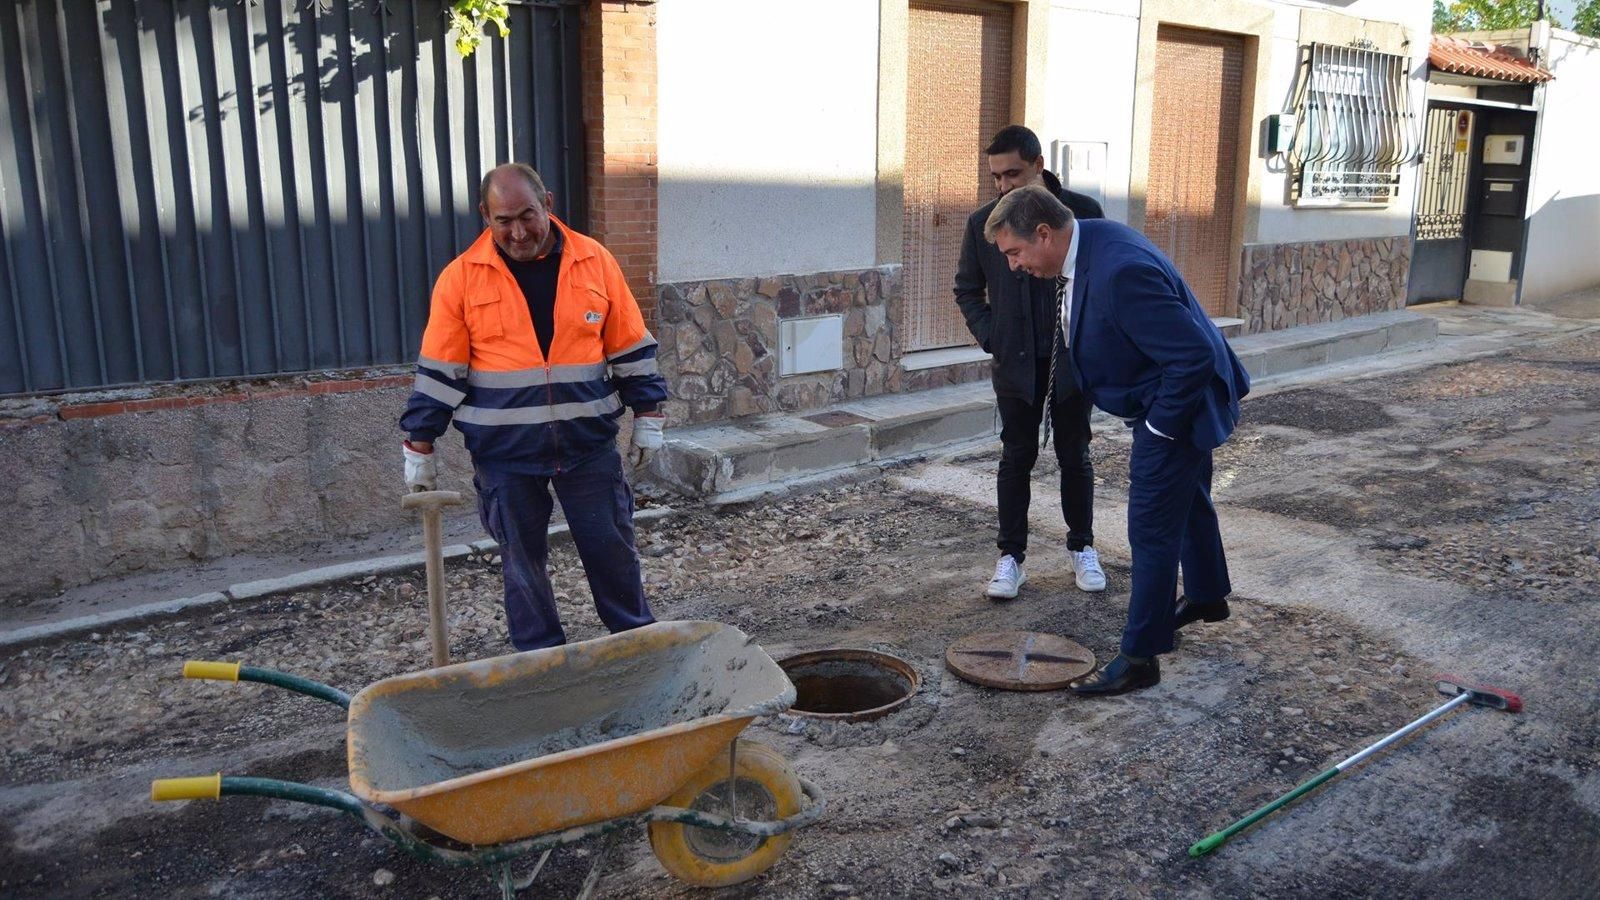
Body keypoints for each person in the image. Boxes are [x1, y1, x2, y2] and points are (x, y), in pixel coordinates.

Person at [983, 184, 1250, 696]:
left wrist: (1159, 427)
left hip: (1177, 409)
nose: (1015, 266)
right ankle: (1207, 595)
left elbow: (1191, 356)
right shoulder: (1091, 240)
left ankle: (1139, 657)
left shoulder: (1118, 270)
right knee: (1190, 501)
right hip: (1168, 397)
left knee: (1150, 528)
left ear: (1044, 233)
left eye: (1016, 252)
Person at [399, 163, 669, 651]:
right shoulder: (461, 279)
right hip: (506, 455)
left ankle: (636, 647)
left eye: (527, 215)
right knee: (522, 564)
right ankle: (539, 664)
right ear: (486, 216)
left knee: (611, 550)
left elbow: (628, 346)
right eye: (504, 221)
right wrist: (420, 446)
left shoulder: (594, 262)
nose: (518, 232)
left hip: (588, 447)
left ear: (548, 204)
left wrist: (649, 417)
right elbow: (441, 371)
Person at [954, 125, 1106, 601]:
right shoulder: (985, 222)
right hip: (1016, 363)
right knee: (1015, 457)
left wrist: (1092, 340)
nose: (1004, 186)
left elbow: (1101, 279)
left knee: (1074, 455)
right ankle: (1010, 559)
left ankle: (1082, 547)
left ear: (1039, 165)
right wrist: (992, 336)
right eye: (996, 176)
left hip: (1072, 361)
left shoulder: (1082, 214)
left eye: (1013, 173)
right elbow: (966, 289)